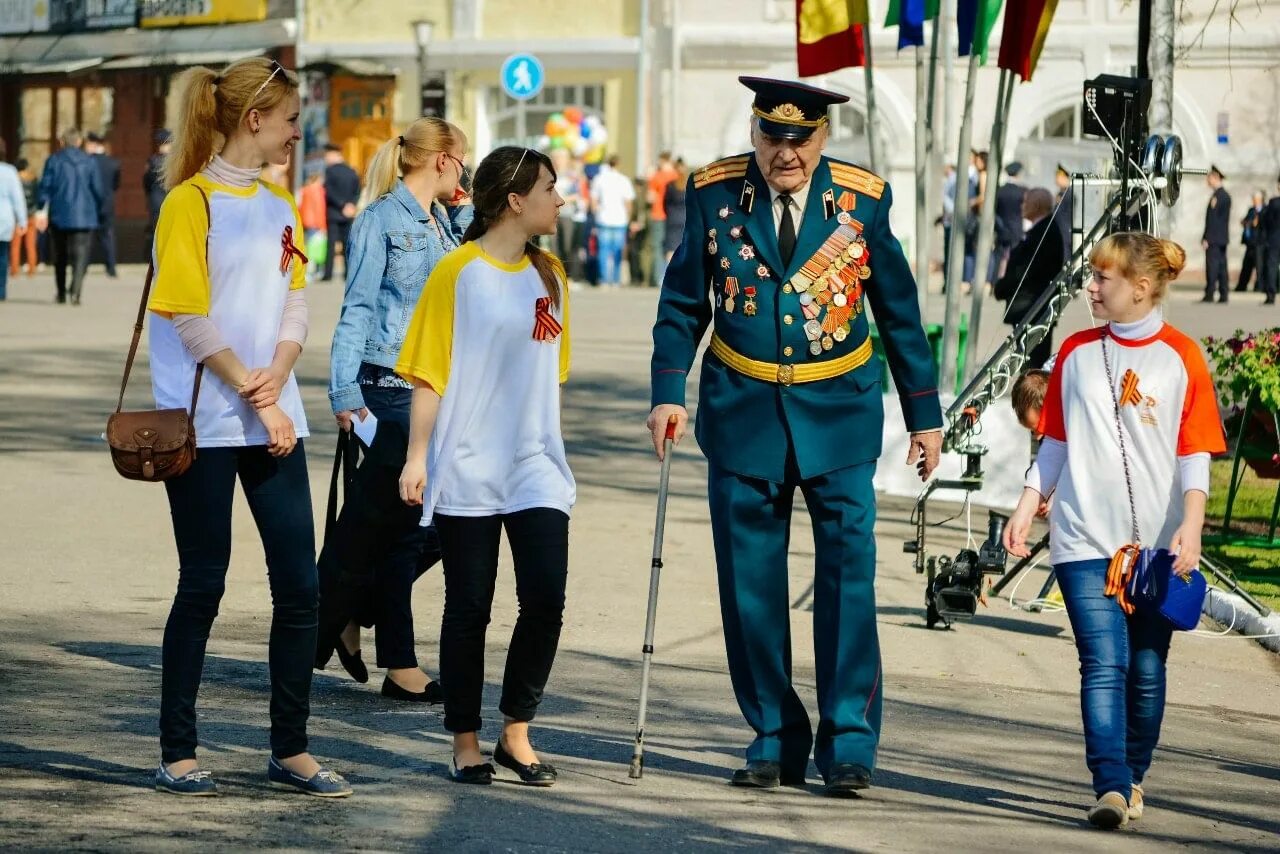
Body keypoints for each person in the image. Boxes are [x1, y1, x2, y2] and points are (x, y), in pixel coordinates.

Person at [647, 77, 942, 797]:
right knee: (751, 588)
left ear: (823, 138)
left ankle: (847, 740)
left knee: (848, 582)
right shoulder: (715, 196)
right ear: (754, 134)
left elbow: (898, 311)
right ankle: (773, 735)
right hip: (743, 414)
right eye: (772, 137)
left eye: (800, 138)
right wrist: (666, 391)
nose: (786, 152)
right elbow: (684, 302)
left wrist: (925, 413)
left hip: (839, 414)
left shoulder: (862, 201)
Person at [145, 57, 351, 798]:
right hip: (204, 424)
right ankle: (177, 751)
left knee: (301, 586)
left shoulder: (280, 204)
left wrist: (283, 369)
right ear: (254, 118)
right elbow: (187, 315)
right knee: (203, 583)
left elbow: (296, 299)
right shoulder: (189, 205)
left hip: (274, 420)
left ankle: (290, 749)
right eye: (293, 119)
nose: (300, 132)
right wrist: (253, 392)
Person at [1004, 232, 1226, 830]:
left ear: (1142, 288)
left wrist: (1194, 525)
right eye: (1092, 277)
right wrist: (1028, 504)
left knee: (1147, 668)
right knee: (1103, 662)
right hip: (1082, 539)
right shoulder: (1074, 352)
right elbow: (1055, 442)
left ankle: (1134, 774)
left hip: (1158, 547)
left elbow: (1195, 452)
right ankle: (1109, 785)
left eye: (1103, 279)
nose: (1090, 288)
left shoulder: (1181, 356)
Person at [396, 145, 572, 787]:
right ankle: (465, 742)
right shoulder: (456, 273)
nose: (561, 200)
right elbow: (428, 373)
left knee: (545, 598)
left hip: (535, 465)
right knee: (469, 607)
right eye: (551, 189)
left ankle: (515, 733)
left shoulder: (551, 273)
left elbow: (551, 373)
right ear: (515, 201)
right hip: (468, 464)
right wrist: (418, 457)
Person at [324, 117, 472, 703]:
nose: (465, 170)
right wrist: (344, 393)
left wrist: (462, 212)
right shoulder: (380, 221)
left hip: (434, 386)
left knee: (431, 525)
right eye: (462, 159)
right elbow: (356, 307)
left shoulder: (443, 224)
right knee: (414, 528)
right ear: (441, 160)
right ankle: (401, 665)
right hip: (388, 384)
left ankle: (354, 610)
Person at [993, 188, 1065, 369]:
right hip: (1030, 307)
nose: (1022, 206)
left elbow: (1025, 271)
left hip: (1032, 308)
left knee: (1031, 366)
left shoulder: (1044, 232)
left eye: (1025, 202)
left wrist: (1001, 287)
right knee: (1027, 363)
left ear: (1037, 205)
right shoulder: (1041, 229)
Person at [36, 127, 102, 305]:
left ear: (62, 142)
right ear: (79, 142)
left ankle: (61, 292)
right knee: (81, 254)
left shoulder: (54, 160)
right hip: (84, 214)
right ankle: (76, 291)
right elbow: (98, 189)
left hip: (59, 214)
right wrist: (100, 209)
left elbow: (45, 187)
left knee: (60, 255)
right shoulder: (89, 161)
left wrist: (41, 207)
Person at [589, 153, 633, 286]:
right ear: (618, 164)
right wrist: (628, 217)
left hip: (604, 218)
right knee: (618, 250)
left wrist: (596, 213)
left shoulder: (599, 179)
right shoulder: (624, 180)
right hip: (620, 219)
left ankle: (604, 279)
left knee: (603, 250)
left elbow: (594, 200)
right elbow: (628, 202)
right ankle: (615, 279)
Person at [322, 142, 360, 282]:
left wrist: (341, 205)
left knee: (331, 245)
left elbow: (329, 192)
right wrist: (351, 205)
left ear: (333, 155)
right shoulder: (351, 171)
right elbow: (357, 191)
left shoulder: (330, 171)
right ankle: (347, 273)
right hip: (349, 213)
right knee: (347, 244)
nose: (326, 158)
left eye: (327, 156)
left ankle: (328, 274)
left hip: (334, 212)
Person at [85, 132, 121, 278]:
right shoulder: (114, 163)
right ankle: (111, 267)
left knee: (87, 237)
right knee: (108, 235)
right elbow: (116, 185)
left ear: (93, 144)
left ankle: (83, 266)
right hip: (108, 204)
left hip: (91, 204)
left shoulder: (87, 162)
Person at [0, 141, 28, 301]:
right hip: (4, 219)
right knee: (3, 256)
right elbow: (17, 198)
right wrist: (22, 220)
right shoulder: (10, 172)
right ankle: (1, 290)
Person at [647, 151, 679, 286]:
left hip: (658, 214)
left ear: (661, 160)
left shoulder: (656, 176)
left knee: (658, 247)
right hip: (674, 216)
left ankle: (659, 277)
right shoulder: (677, 176)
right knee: (674, 247)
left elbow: (650, 198)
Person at [1201, 166, 1231, 304]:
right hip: (1220, 238)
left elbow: (1214, 221)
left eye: (1209, 178)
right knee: (1221, 266)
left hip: (1215, 238)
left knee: (1213, 266)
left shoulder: (1220, 196)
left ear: (1215, 177)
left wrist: (1207, 238)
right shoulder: (1221, 195)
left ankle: (1210, 293)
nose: (1208, 180)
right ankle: (1223, 293)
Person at [994, 161, 1026, 279]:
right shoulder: (1022, 191)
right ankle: (1012, 279)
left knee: (998, 255)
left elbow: (995, 210)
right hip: (1017, 228)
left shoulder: (1000, 191)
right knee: (1015, 256)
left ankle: (994, 281)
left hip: (1001, 227)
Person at [144, 129, 172, 253]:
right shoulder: (176, 161)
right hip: (172, 200)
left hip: (156, 200)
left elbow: (146, 182)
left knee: (157, 231)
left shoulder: (152, 161)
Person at [9, 157, 38, 278]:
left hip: (17, 215)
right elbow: (37, 195)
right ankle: (32, 268)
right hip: (31, 214)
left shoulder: (14, 179)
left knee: (15, 244)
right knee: (30, 244)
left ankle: (14, 269)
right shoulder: (33, 179)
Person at [297, 166, 326, 282]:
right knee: (316, 249)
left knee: (309, 248)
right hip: (316, 223)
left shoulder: (304, 190)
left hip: (307, 222)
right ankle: (313, 272)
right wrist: (323, 225)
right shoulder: (318, 191)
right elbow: (319, 209)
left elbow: (300, 207)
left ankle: (308, 272)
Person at [1234, 189, 1265, 294]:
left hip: (1260, 243)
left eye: (1255, 199)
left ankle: (1260, 286)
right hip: (1250, 243)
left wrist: (1253, 223)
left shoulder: (1265, 210)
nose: (1254, 201)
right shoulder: (1251, 210)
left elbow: (1262, 224)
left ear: (1260, 199)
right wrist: (1247, 222)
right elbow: (1247, 221)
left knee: (1259, 266)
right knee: (1246, 265)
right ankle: (1241, 286)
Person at [661, 159, 688, 266]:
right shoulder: (689, 185)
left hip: (672, 219)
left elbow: (665, 203)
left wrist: (669, 214)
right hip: (685, 219)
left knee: (671, 248)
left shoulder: (670, 186)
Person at [1262, 176, 1280, 305]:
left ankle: (1271, 295)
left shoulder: (1274, 202)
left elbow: (1266, 221)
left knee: (1272, 267)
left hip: (1274, 240)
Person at [1052, 163, 1074, 264]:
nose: (1056, 179)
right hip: (1058, 234)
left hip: (1063, 234)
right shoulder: (1060, 194)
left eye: (1059, 177)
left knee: (1063, 261)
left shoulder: (1068, 195)